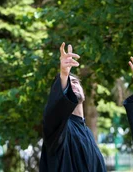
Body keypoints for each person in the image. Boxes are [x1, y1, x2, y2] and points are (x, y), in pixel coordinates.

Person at [39, 43, 106, 172]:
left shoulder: (87, 133)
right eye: (68, 85)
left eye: (75, 82)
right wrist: (63, 74)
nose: (72, 86)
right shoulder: (59, 128)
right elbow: (54, 113)